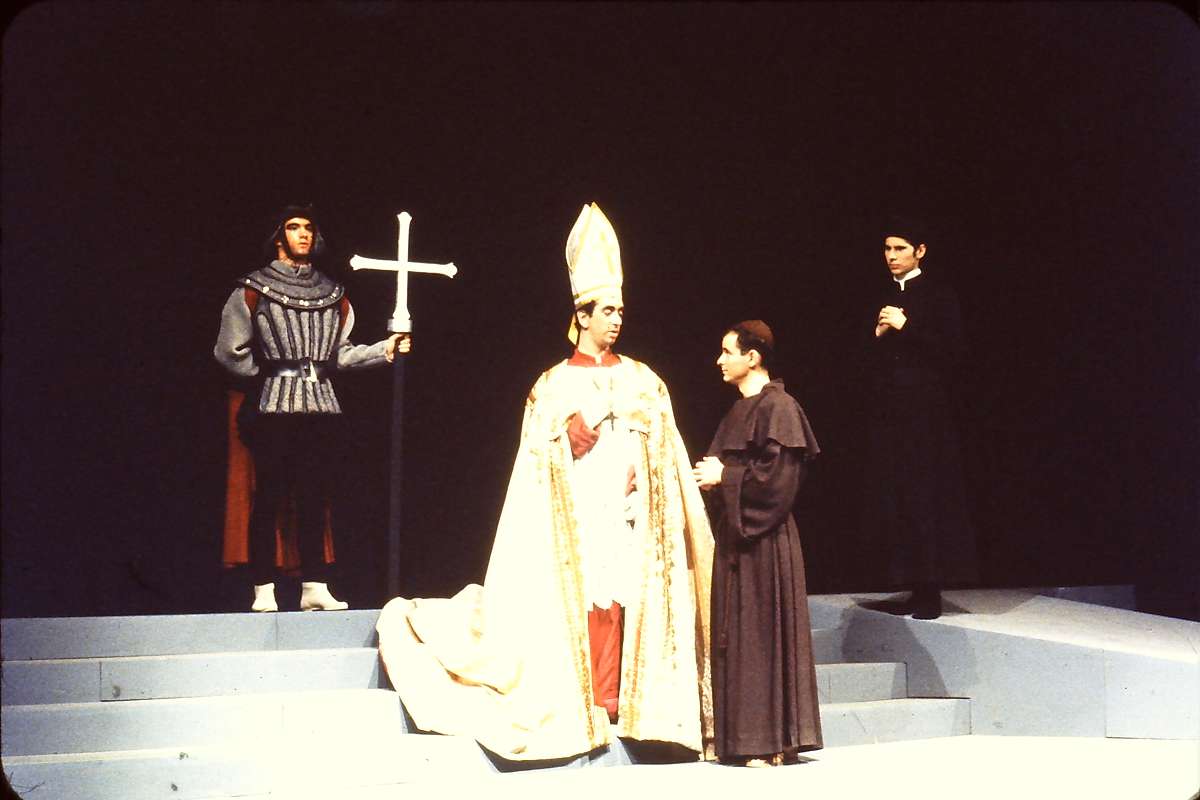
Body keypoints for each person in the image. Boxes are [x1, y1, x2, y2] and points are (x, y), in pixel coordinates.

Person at [376, 203, 715, 762]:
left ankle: (623, 697)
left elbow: (666, 444)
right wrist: (568, 436)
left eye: (621, 310)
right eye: (608, 310)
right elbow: (536, 456)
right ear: (583, 314)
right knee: (588, 592)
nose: (617, 320)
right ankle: (589, 697)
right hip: (577, 512)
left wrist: (646, 464)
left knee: (625, 592)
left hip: (629, 511)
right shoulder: (552, 384)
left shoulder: (643, 378)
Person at [214, 205, 409, 612]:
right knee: (269, 496)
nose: (303, 234)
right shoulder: (253, 288)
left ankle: (314, 586)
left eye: (308, 228)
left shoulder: (332, 294)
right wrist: (267, 377)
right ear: (278, 236)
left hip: (322, 406)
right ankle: (263, 587)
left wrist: (384, 349)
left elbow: (342, 355)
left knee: (315, 497)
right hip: (273, 406)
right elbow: (230, 351)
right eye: (293, 227)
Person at [693, 320, 823, 766]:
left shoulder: (780, 407)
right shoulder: (738, 411)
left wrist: (725, 477)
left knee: (763, 637)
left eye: (727, 351)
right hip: (737, 539)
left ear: (752, 357)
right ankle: (745, 740)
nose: (719, 360)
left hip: (765, 541)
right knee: (740, 638)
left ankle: (771, 742)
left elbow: (778, 483)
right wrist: (713, 481)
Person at [862, 218, 975, 620]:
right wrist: (877, 337)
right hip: (891, 413)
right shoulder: (882, 294)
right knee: (897, 496)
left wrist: (906, 327)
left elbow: (953, 353)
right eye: (887, 249)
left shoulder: (939, 295)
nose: (892, 256)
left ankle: (930, 589)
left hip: (926, 414)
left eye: (900, 249)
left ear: (920, 251)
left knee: (926, 495)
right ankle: (910, 584)